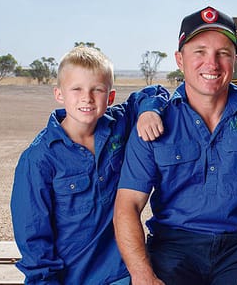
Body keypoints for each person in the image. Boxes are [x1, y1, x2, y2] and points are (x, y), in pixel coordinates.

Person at [113, 6, 237, 285]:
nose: (212, 63)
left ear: (235, 59)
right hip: (173, 246)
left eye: (222, 53)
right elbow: (127, 205)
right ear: (180, 59)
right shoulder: (152, 120)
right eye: (200, 52)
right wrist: (142, 275)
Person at [10, 46, 169, 284]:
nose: (87, 98)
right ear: (59, 94)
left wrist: (148, 112)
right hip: (72, 277)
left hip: (121, 273)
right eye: (77, 89)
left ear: (110, 97)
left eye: (97, 90)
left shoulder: (118, 126)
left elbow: (154, 92)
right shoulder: (38, 158)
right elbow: (33, 237)